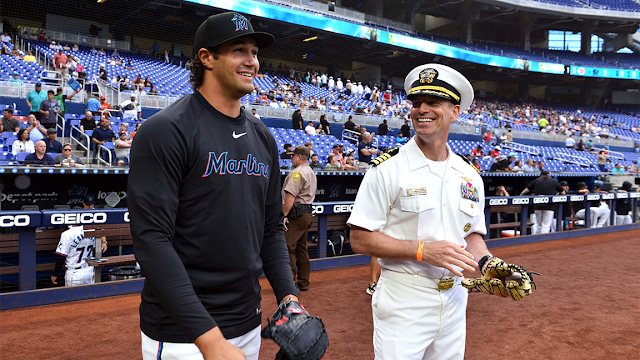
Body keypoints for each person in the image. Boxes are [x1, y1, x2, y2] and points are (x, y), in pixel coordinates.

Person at [128, 13, 301, 360]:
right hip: (185, 334)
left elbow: (270, 229)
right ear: (206, 58)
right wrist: (210, 341)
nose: (251, 60)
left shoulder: (263, 137)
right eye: (239, 50)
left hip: (248, 323)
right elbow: (151, 241)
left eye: (254, 51)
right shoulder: (165, 130)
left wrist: (289, 298)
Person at [347, 64, 494, 359]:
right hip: (404, 298)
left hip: (455, 296)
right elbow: (360, 239)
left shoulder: (469, 175)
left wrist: (490, 264)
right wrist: (423, 251)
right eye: (416, 103)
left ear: (454, 111)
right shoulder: (387, 169)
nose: (421, 109)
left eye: (433, 103)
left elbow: (471, 235)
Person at [51, 193, 107, 286]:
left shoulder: (67, 234)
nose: (90, 206)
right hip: (89, 270)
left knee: (73, 299)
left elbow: (61, 257)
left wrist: (54, 274)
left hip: (75, 273)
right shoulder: (91, 230)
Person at [282, 146, 317, 291]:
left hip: (296, 215)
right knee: (301, 248)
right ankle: (303, 281)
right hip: (306, 214)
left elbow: (290, 196)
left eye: (293, 156)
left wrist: (283, 215)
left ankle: (290, 285)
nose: (291, 159)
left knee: (287, 247)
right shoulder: (310, 171)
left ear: (299, 157)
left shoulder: (297, 172)